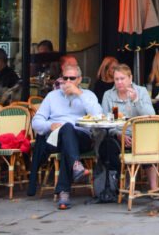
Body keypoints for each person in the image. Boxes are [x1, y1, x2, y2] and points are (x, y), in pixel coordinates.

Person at [30, 62, 102, 209]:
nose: (68, 82)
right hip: (55, 137)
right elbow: (36, 122)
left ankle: (65, 192)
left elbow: (99, 116)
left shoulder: (88, 95)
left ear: (79, 80)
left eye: (72, 78)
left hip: (82, 137)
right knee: (67, 132)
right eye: (65, 78)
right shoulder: (52, 96)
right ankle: (74, 170)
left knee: (68, 139)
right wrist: (49, 125)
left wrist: (79, 94)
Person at [100, 64, 157, 189]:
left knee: (146, 146)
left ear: (130, 78)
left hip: (139, 133)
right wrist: (119, 134)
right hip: (117, 134)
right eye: (116, 79)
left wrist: (136, 100)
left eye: (122, 78)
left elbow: (151, 115)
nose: (119, 82)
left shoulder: (141, 91)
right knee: (107, 146)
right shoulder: (108, 95)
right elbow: (104, 121)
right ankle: (122, 180)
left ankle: (154, 187)